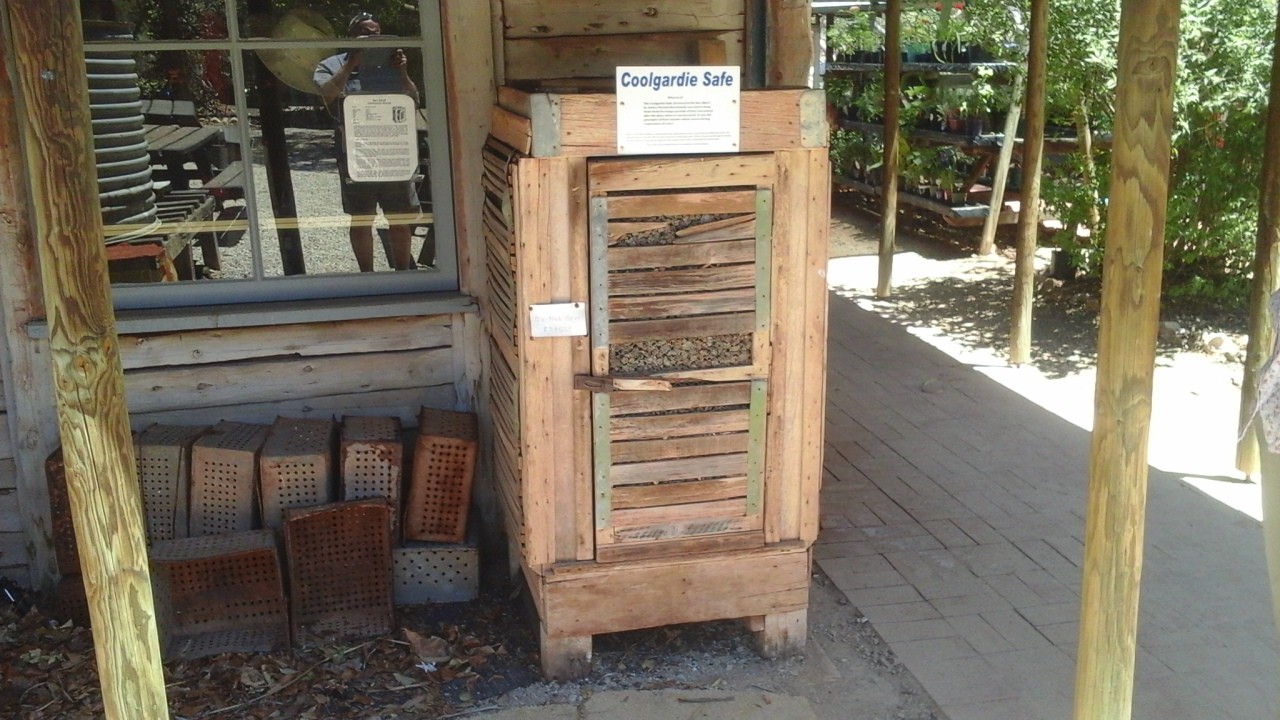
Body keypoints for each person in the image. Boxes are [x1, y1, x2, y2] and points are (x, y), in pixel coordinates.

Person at [314, 12, 420, 272]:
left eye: (377, 33)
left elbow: (414, 101)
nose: (372, 38)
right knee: (362, 218)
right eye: (365, 33)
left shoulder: (392, 64)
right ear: (350, 37)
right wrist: (352, 63)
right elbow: (326, 94)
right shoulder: (331, 64)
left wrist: (402, 72)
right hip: (356, 154)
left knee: (399, 217)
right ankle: (367, 276)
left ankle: (403, 274)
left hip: (392, 151)